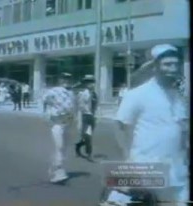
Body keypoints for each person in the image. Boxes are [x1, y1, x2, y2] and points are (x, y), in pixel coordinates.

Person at [107, 44, 189, 205]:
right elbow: (119, 126)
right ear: (155, 67)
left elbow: (183, 128)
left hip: (178, 170)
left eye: (176, 64)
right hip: (146, 167)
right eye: (167, 64)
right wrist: (127, 159)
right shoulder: (138, 94)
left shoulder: (179, 96)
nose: (173, 68)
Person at [42, 72, 75, 183]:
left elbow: (73, 108)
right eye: (64, 79)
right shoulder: (53, 91)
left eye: (68, 79)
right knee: (59, 146)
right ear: (60, 80)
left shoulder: (71, 93)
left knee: (64, 148)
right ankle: (58, 171)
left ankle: (54, 168)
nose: (66, 81)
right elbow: (43, 100)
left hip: (68, 123)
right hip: (57, 123)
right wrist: (47, 113)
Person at [75, 75, 98, 162]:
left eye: (92, 82)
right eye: (89, 83)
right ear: (86, 84)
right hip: (85, 116)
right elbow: (80, 107)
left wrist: (96, 116)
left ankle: (77, 146)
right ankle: (89, 154)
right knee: (88, 136)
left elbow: (96, 106)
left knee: (87, 137)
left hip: (92, 117)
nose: (91, 84)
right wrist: (79, 120)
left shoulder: (95, 94)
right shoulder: (82, 94)